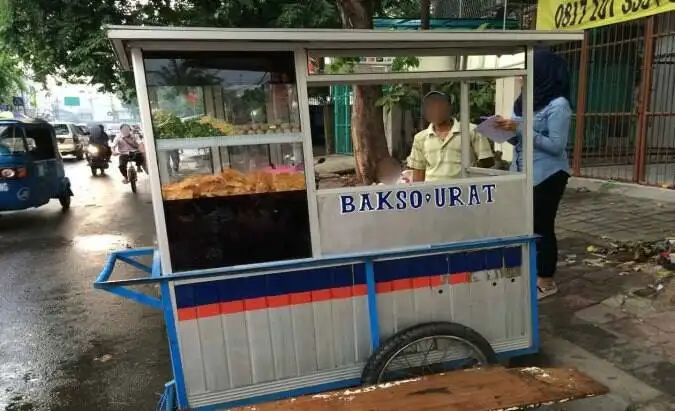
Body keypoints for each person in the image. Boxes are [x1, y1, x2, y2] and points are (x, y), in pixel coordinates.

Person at [494, 48, 572, 300]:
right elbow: (520, 141)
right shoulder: (524, 100)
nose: (523, 76)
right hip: (521, 172)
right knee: (521, 225)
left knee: (541, 226)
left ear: (543, 73)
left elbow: (556, 146)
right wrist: (504, 131)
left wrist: (521, 128)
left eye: (529, 71)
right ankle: (528, 273)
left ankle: (546, 282)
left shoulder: (558, 105)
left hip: (547, 174)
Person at [407, 91, 494, 182]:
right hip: (433, 192)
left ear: (450, 108)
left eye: (440, 105)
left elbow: (487, 164)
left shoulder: (471, 131)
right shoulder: (420, 138)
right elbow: (418, 174)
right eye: (431, 106)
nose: (436, 110)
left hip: (463, 191)